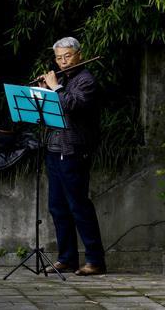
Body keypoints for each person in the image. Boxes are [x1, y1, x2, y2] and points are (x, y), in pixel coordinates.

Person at [38, 36, 106, 276]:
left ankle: (95, 261)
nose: (63, 62)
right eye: (59, 58)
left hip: (75, 151)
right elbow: (52, 110)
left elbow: (72, 105)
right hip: (54, 149)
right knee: (57, 207)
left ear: (79, 54)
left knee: (79, 206)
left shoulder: (86, 81)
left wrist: (55, 88)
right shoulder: (65, 80)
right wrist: (44, 92)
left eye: (67, 56)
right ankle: (67, 258)